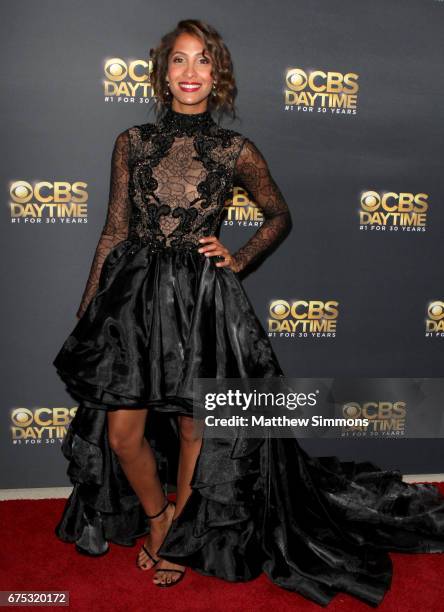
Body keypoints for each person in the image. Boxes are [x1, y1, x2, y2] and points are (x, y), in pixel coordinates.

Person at [53, 19, 444, 605]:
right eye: (179, 60)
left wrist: (238, 258)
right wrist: (89, 311)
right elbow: (113, 230)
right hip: (132, 298)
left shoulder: (235, 149)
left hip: (201, 300)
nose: (190, 72)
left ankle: (178, 530)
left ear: (218, 74)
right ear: (163, 75)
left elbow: (278, 214)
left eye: (202, 60)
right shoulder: (132, 141)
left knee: (193, 424)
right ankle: (157, 517)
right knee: (122, 430)